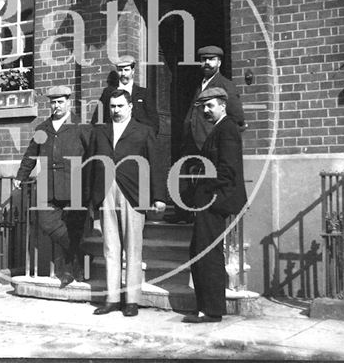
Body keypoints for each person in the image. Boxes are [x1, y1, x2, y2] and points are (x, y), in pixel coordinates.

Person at [85, 89, 166, 317]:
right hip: (106, 192)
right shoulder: (100, 132)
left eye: (120, 106)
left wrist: (159, 197)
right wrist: (90, 197)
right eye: (112, 106)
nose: (116, 110)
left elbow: (156, 165)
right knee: (110, 248)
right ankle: (111, 298)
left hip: (134, 193)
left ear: (130, 107)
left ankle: (131, 300)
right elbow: (91, 164)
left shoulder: (144, 131)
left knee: (133, 247)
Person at [182, 87, 248, 323]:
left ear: (223, 105)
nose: (206, 111)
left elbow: (227, 170)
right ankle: (207, 307)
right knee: (201, 251)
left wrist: (204, 185)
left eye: (210, 106)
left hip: (214, 200)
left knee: (206, 253)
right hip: (209, 199)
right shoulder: (219, 129)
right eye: (203, 107)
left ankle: (211, 310)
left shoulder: (227, 129)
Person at [13, 85, 90, 288]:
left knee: (74, 228)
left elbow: (92, 155)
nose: (56, 106)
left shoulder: (81, 126)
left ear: (68, 102)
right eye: (53, 102)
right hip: (48, 186)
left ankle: (69, 272)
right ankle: (79, 255)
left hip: (75, 186)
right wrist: (22, 175)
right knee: (47, 223)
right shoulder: (43, 128)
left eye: (60, 101)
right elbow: (31, 153)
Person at [165, 45, 246, 224]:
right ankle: (183, 214)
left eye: (211, 59)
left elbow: (237, 117)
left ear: (219, 62)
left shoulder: (225, 85)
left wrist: (218, 138)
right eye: (203, 60)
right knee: (183, 175)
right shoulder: (201, 83)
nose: (207, 63)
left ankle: (203, 214)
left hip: (209, 142)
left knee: (207, 180)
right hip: (192, 140)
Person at [92, 55, 159, 135]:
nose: (123, 74)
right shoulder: (108, 92)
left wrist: (146, 140)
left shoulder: (144, 94)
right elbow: (97, 119)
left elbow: (153, 122)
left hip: (137, 139)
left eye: (126, 70)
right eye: (120, 70)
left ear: (133, 70)